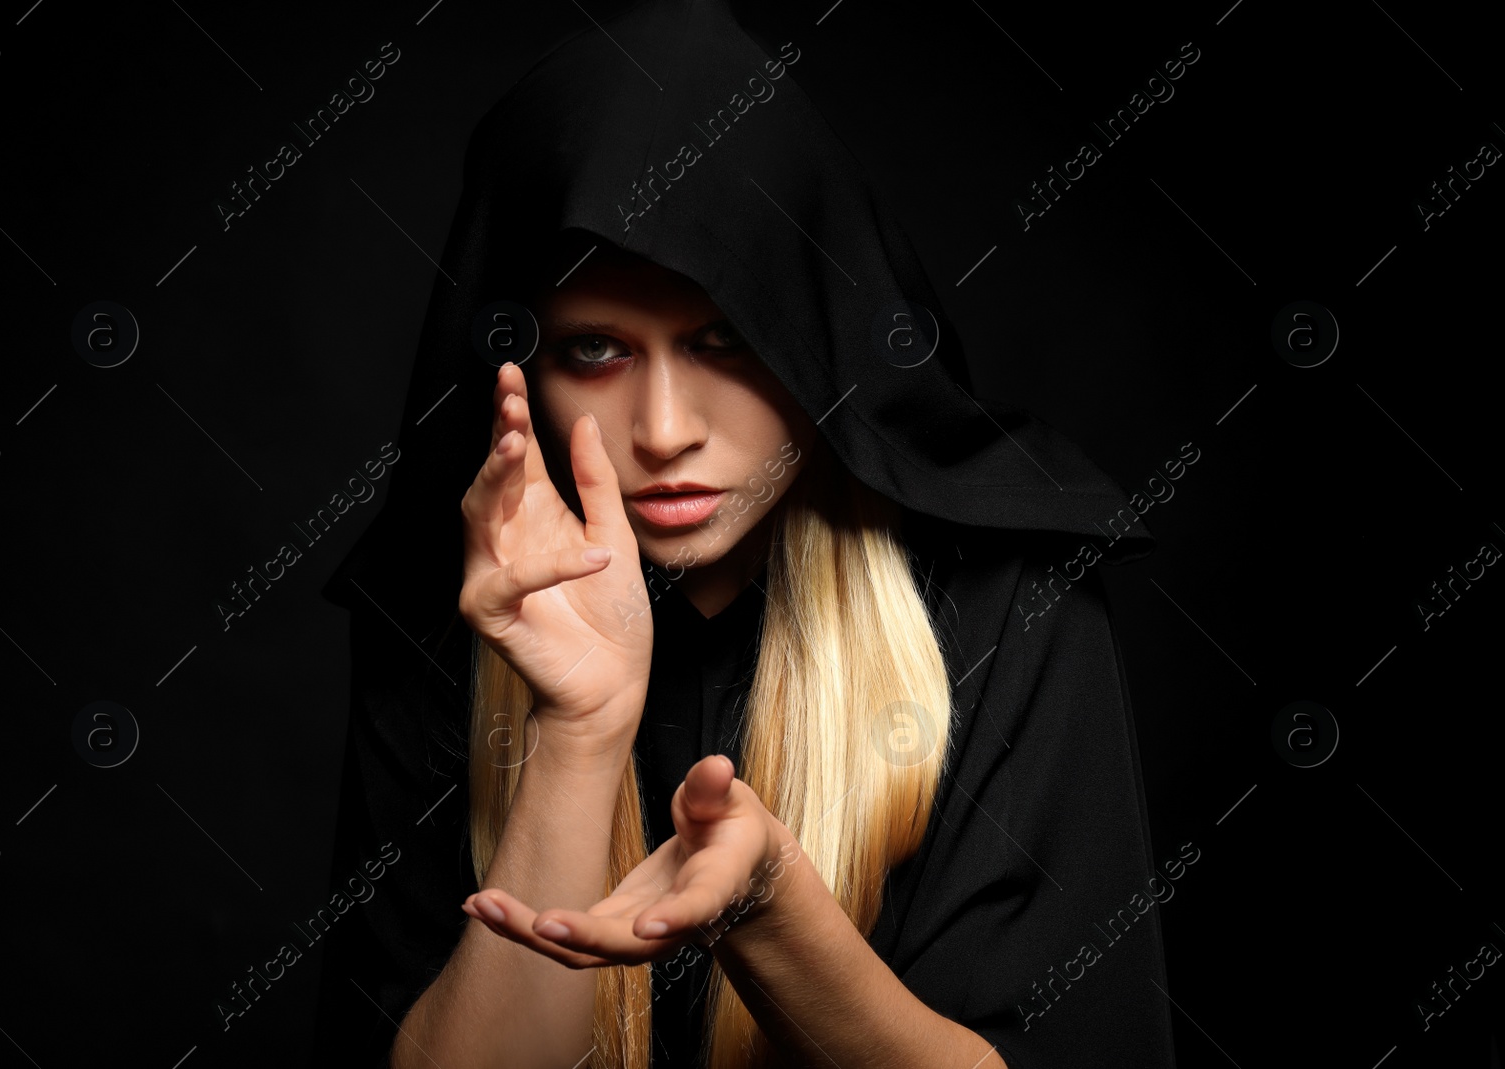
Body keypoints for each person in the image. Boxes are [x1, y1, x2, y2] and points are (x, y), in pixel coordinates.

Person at [309, 1, 1177, 1066]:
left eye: (725, 340)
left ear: (810, 335)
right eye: (594, 350)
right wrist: (574, 741)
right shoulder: (449, 617)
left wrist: (772, 917)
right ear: (521, 371)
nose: (665, 432)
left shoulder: (1005, 600)